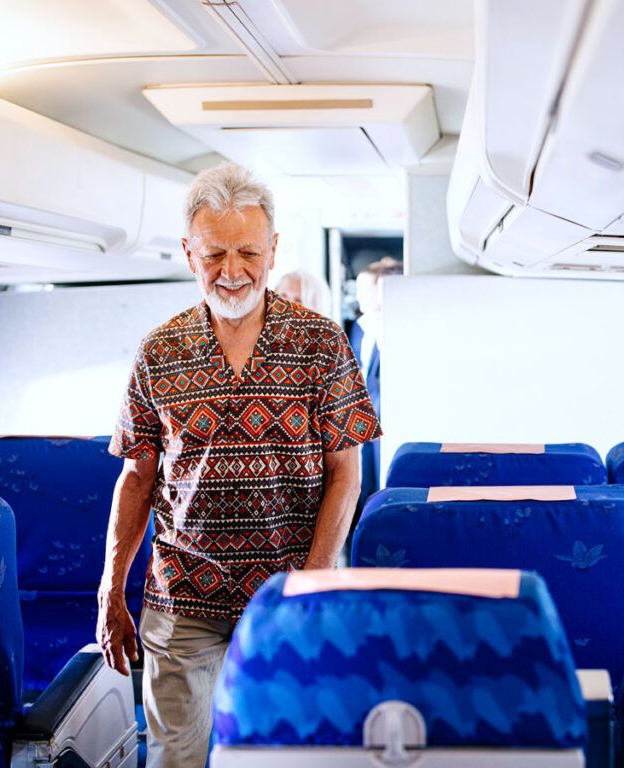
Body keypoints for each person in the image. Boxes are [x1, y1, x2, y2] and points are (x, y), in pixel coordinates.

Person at [96, 163, 382, 768]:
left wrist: (313, 578)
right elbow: (137, 477)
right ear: (187, 252)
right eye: (215, 253)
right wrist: (110, 586)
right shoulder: (159, 351)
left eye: (248, 252)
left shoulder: (321, 343)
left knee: (285, 755)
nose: (231, 271)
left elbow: (345, 473)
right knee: (176, 758)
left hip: (286, 593)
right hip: (181, 601)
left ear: (273, 249)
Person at [349, 257, 402, 519]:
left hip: (387, 415)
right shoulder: (360, 328)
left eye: (365, 291)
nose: (360, 299)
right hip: (365, 417)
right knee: (366, 477)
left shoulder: (396, 326)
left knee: (385, 475)